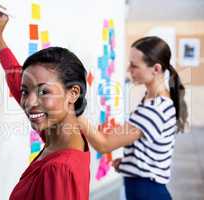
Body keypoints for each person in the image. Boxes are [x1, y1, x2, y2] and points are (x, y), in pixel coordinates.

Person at [0, 7, 90, 200]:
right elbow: (16, 79)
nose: (29, 102)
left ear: (73, 93)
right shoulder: (62, 134)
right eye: (25, 92)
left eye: (44, 91)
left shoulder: (58, 169)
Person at [78, 36, 188, 200]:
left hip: (148, 192)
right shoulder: (156, 100)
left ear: (156, 69)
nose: (129, 70)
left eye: (134, 66)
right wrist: (130, 163)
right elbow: (153, 146)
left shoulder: (153, 109)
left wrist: (75, 114)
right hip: (145, 188)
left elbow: (104, 145)